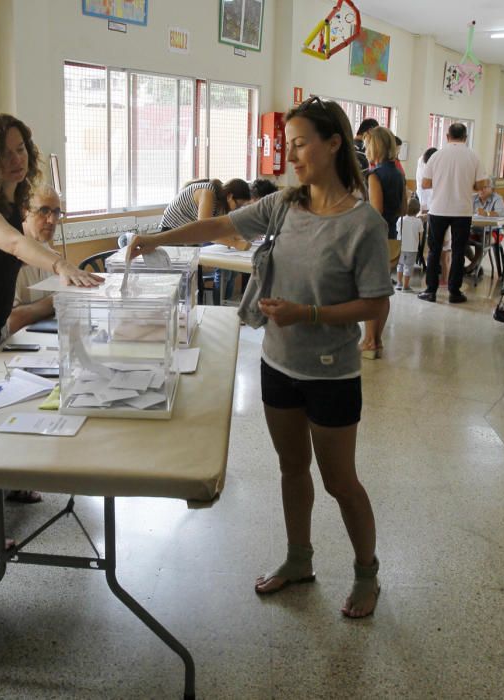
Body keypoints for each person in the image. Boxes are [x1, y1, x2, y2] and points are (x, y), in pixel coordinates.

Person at [130, 97, 391, 619]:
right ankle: (299, 559)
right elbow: (218, 227)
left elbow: (375, 304)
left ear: (333, 143)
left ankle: (367, 573)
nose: (290, 155)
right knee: (292, 469)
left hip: (331, 374)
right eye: (287, 144)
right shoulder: (283, 205)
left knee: (339, 480)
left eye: (299, 144)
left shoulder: (363, 223)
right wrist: (153, 238)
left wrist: (307, 314)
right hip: (278, 364)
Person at [0, 113, 100, 369]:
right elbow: (14, 243)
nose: (17, 159)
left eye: (20, 149)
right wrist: (61, 266)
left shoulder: (13, 204)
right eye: (5, 154)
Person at [418, 123, 488, 304]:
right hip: (462, 211)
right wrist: (466, 186)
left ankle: (430, 291)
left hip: (438, 209)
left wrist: (442, 184)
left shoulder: (436, 156)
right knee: (458, 251)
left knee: (434, 250)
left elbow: (425, 184)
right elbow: (482, 186)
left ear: (447, 136)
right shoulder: (473, 157)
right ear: (465, 137)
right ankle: (454, 292)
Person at [159, 177, 251, 304]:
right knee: (184, 288)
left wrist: (239, 236)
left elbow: (222, 228)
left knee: (196, 287)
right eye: (238, 205)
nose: (237, 209)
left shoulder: (220, 203)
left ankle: (197, 317)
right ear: (230, 196)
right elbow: (205, 231)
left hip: (188, 238)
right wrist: (235, 243)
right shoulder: (208, 193)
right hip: (172, 234)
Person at [360, 125, 406, 359]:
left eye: (367, 145)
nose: (365, 149)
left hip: (377, 238)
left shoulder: (375, 175)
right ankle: (377, 340)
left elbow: (375, 212)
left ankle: (369, 341)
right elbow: (404, 207)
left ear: (374, 146)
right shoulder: (398, 173)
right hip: (393, 237)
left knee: (370, 292)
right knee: (383, 291)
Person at [7, 184, 65, 334]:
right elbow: (10, 322)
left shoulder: (51, 254)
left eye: (57, 212)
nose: (52, 220)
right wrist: (54, 301)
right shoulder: (8, 256)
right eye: (44, 211)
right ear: (25, 211)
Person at [397, 197, 424, 291]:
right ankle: (406, 286)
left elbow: (398, 231)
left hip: (400, 247)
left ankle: (399, 284)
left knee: (400, 265)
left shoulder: (400, 219)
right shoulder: (418, 221)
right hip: (412, 248)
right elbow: (420, 235)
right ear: (417, 210)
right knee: (408, 266)